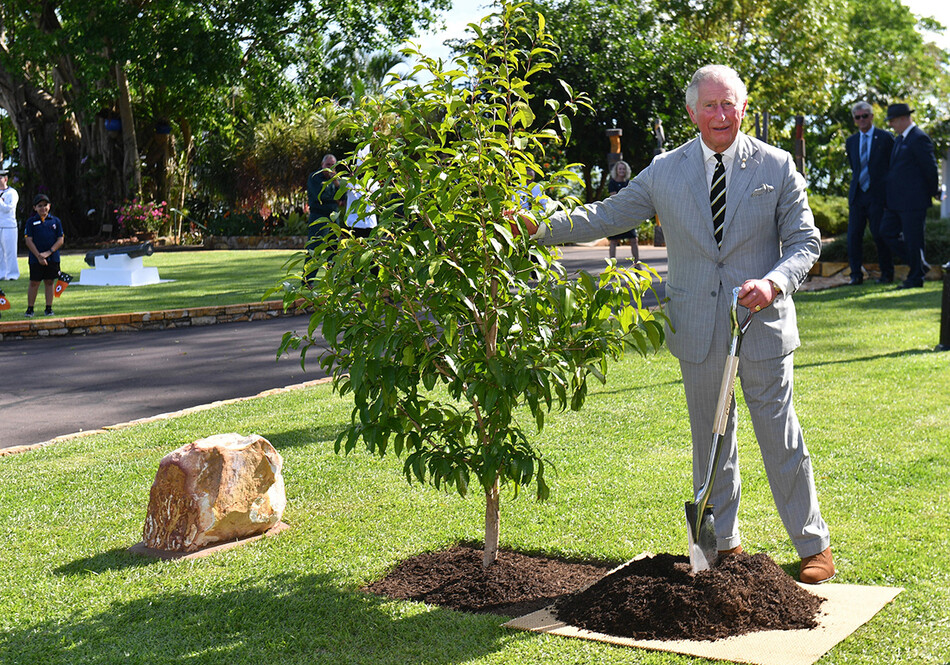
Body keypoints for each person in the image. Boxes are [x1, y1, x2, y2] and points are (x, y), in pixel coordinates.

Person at [519, 65, 834, 584]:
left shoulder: (777, 167)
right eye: (709, 105)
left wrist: (774, 283)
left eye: (729, 104)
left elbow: (805, 244)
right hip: (695, 328)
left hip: (763, 327)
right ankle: (721, 544)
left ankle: (812, 544)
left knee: (781, 436)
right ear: (691, 113)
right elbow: (606, 215)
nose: (720, 114)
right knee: (711, 442)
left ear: (743, 107)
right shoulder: (665, 170)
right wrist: (537, 228)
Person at [881, 103, 939, 289]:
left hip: (914, 201)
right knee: (886, 232)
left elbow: (930, 169)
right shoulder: (900, 140)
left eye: (893, 121)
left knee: (914, 240)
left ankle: (915, 278)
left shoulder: (919, 138)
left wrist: (931, 192)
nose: (891, 125)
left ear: (904, 119)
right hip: (896, 201)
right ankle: (919, 265)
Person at [845, 102, 894, 285]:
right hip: (858, 196)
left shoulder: (885, 138)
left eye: (865, 116)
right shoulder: (851, 141)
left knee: (879, 235)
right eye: (858, 117)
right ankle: (856, 275)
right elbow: (855, 167)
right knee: (853, 237)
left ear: (871, 116)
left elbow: (891, 166)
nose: (861, 120)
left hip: (877, 196)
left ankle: (887, 273)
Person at [23, 193, 64, 317]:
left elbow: (60, 239)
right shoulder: (31, 222)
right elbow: (28, 240)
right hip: (36, 258)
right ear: (35, 208)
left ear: (49, 206)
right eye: (40, 206)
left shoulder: (55, 221)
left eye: (45, 205)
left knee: (49, 281)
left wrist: (48, 253)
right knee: (34, 282)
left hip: (52, 257)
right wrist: (39, 256)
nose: (43, 208)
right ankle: (30, 308)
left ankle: (48, 308)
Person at [605, 160, 641, 264]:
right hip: (616, 215)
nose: (622, 170)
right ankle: (612, 266)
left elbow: (632, 197)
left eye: (623, 168)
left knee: (634, 239)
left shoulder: (628, 183)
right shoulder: (612, 183)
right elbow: (615, 199)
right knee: (613, 241)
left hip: (628, 215)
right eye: (620, 168)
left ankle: (636, 263)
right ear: (616, 170)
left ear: (626, 170)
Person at [0, 168, 20, 281]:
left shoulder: (12, 193)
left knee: (10, 251)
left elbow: (8, 208)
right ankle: (1, 273)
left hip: (9, 226)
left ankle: (13, 274)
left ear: (5, 179)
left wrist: (0, 201)